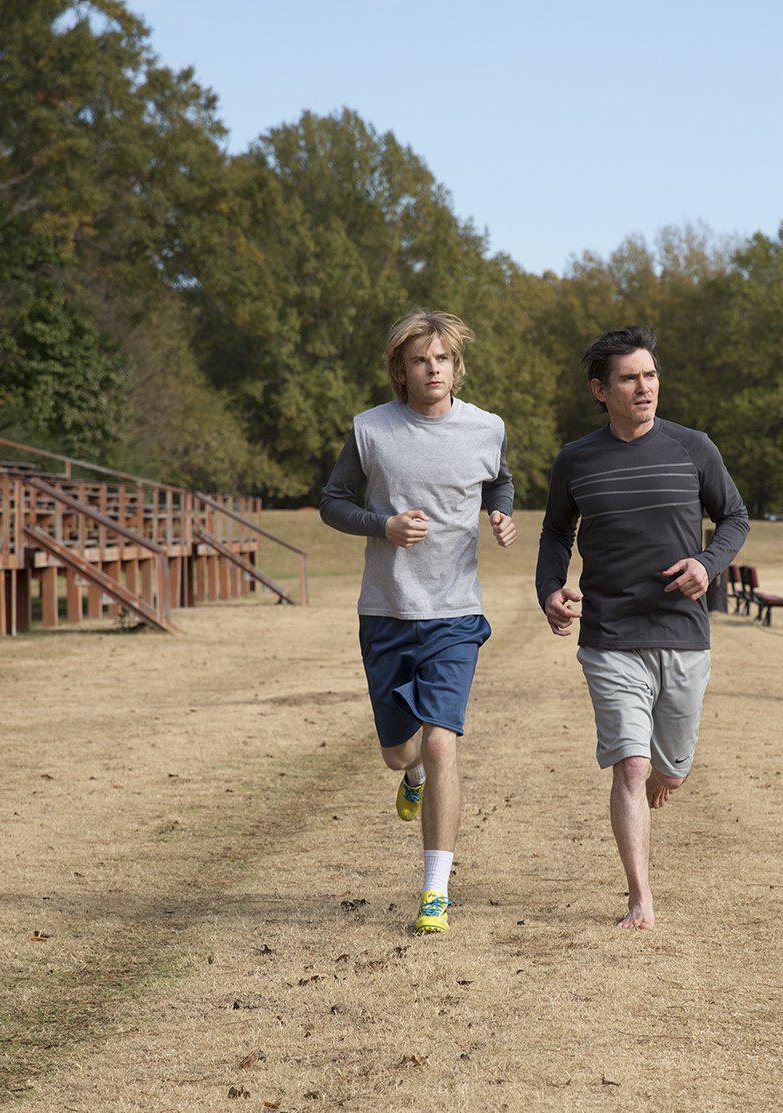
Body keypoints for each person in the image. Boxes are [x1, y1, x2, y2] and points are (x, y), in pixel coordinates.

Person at [535, 325, 748, 931]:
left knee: (669, 770)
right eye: (629, 378)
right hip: (610, 635)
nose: (644, 387)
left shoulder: (693, 448)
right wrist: (550, 588)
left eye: (650, 375)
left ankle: (666, 773)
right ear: (600, 390)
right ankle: (640, 900)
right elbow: (555, 533)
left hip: (683, 635)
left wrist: (707, 566)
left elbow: (734, 517)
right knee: (629, 765)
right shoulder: (576, 459)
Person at [320, 309, 516, 935]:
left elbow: (499, 483)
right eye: (420, 361)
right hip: (387, 611)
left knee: (441, 739)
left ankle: (434, 892)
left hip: (456, 610)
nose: (433, 369)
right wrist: (384, 526)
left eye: (443, 360)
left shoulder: (487, 428)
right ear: (401, 371)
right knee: (400, 751)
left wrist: (500, 516)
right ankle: (412, 777)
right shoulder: (371, 431)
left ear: (457, 368)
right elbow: (332, 503)